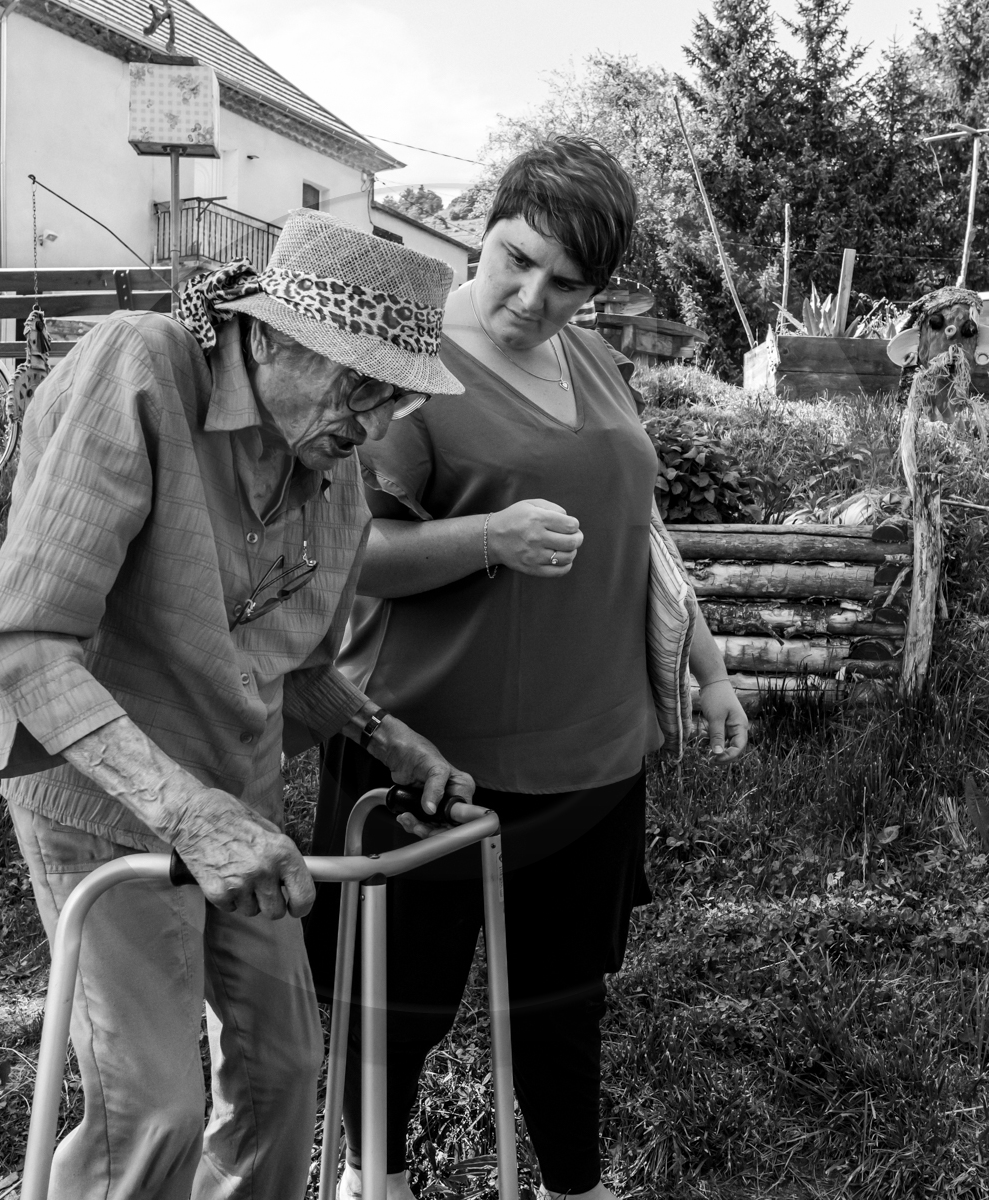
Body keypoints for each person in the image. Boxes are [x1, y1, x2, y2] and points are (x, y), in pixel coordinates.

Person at [0, 209, 477, 1200]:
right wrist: (189, 816)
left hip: (236, 799)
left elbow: (292, 665)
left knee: (284, 1073)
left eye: (397, 399)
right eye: (360, 385)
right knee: (153, 1109)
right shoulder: (143, 368)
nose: (373, 426)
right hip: (102, 791)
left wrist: (381, 733)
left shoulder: (332, 471)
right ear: (268, 337)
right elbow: (24, 639)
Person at [305, 140, 750, 1200]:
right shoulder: (406, 362)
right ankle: (379, 1178)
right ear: (484, 229)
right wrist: (488, 538)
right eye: (517, 259)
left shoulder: (592, 361)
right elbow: (340, 556)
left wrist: (708, 665)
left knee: (561, 1002)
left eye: (568, 283)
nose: (533, 298)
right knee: (395, 1004)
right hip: (429, 749)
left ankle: (573, 1188)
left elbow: (637, 527)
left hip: (595, 749)